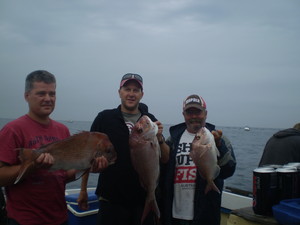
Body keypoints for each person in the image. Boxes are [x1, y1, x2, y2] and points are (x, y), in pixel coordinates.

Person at [0, 70, 102, 225]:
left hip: (59, 218)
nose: (48, 99)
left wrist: (88, 166)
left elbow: (64, 176)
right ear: (26, 96)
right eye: (41, 94)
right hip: (24, 220)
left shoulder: (63, 130)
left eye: (52, 94)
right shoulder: (13, 130)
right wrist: (33, 166)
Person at [89, 73, 166, 225]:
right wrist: (85, 187)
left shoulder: (150, 119)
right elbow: (89, 155)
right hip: (111, 200)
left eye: (136, 90)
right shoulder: (104, 118)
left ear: (141, 94)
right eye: (127, 89)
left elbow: (165, 159)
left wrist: (160, 139)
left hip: (142, 199)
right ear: (119, 92)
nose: (131, 94)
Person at [160, 94, 236, 225]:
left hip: (205, 214)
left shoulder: (218, 138)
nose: (194, 116)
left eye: (198, 112)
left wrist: (219, 146)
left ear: (205, 114)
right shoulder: (172, 140)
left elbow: (228, 170)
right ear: (183, 114)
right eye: (189, 113)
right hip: (175, 214)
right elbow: (163, 171)